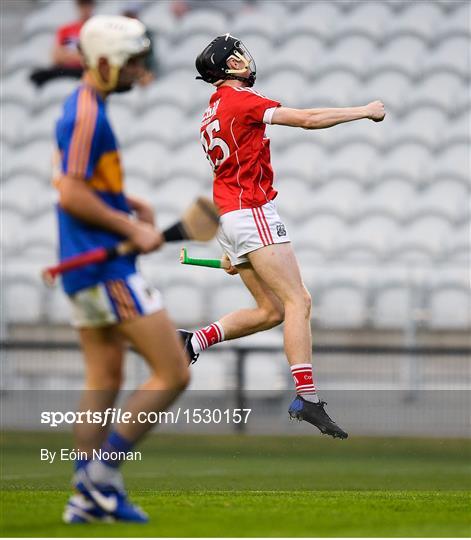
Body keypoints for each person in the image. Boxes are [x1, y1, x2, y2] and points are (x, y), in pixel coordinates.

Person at [180, 34, 386, 440]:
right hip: (252, 210)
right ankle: (306, 397)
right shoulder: (242, 101)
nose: (244, 60)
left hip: (230, 216)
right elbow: (307, 119)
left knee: (271, 311)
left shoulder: (211, 111)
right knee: (299, 300)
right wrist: (364, 111)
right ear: (226, 68)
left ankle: (194, 341)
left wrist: (237, 248)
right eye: (236, 57)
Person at [54, 15, 190, 523]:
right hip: (107, 268)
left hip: (82, 268)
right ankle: (101, 478)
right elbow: (71, 193)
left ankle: (84, 495)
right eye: (132, 62)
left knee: (104, 379)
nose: (139, 71)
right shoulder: (88, 115)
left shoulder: (83, 107)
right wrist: (132, 230)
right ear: (105, 61)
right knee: (174, 369)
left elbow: (77, 180)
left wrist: (127, 203)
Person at [30, 0, 95, 87]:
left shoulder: (96, 30)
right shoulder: (66, 29)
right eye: (82, 5)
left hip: (85, 71)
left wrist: (69, 55)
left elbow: (94, 58)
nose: (85, 9)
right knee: (37, 76)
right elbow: (56, 56)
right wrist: (79, 56)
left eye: (87, 5)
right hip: (66, 69)